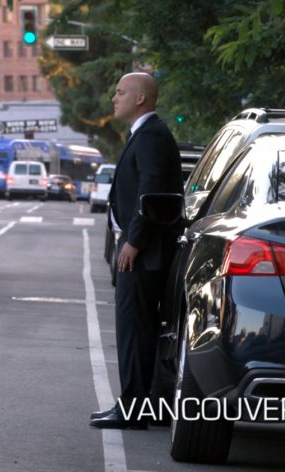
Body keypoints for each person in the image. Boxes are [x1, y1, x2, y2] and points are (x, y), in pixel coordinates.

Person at [90, 72, 183, 429]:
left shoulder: (151, 136)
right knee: (138, 330)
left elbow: (150, 191)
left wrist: (134, 240)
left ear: (140, 98)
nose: (114, 98)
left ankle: (131, 409)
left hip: (145, 253)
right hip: (141, 250)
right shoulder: (144, 134)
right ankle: (140, 406)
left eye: (120, 92)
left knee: (133, 330)